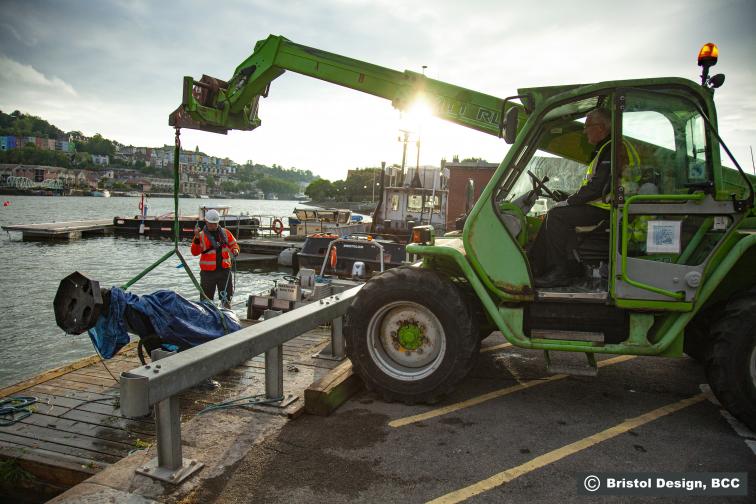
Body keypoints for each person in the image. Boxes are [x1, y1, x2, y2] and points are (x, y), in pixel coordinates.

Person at [528, 108, 638, 288]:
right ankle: (561, 267)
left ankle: (556, 273)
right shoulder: (608, 147)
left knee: (556, 216)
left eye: (588, 126)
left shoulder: (613, 148)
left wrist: (569, 201)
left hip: (607, 209)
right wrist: (569, 198)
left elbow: (598, 186)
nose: (585, 130)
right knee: (558, 212)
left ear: (601, 127)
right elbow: (597, 184)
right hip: (607, 206)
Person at [191, 208, 240, 308]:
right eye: (210, 224)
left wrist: (235, 250)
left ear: (218, 222)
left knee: (226, 299)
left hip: (224, 271)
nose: (213, 226)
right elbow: (194, 252)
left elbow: (234, 244)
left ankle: (226, 317)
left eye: (215, 223)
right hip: (208, 274)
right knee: (206, 301)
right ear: (206, 222)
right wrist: (196, 238)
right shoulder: (200, 235)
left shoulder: (226, 233)